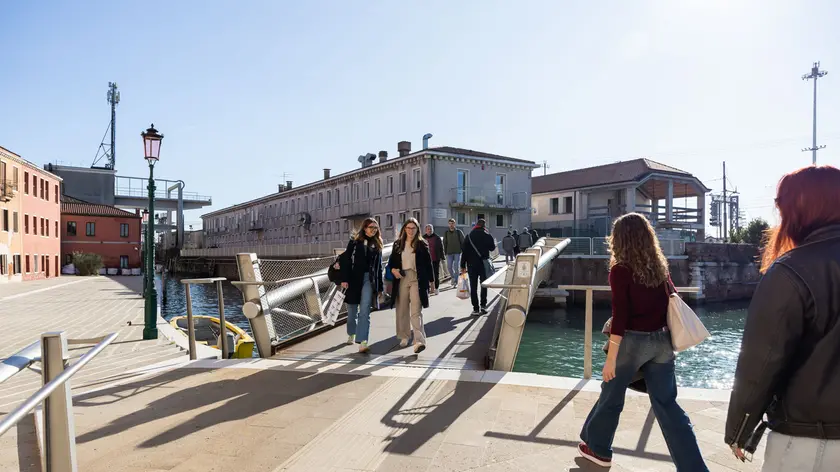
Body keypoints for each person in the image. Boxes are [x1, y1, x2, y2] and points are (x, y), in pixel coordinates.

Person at [725, 165, 840, 471]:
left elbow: (761, 360)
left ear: (800, 208)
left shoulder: (791, 271)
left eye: (781, 204)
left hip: (812, 441)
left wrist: (739, 429)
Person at [578, 213, 707, 470]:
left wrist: (611, 359)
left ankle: (599, 450)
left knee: (612, 394)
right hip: (663, 342)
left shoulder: (620, 270)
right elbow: (671, 298)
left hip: (633, 342)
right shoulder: (660, 266)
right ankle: (694, 468)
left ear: (620, 240)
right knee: (667, 405)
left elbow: (621, 317)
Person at [388, 218, 434, 353]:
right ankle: (404, 336)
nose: (410, 231)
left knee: (416, 311)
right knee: (402, 309)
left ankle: (419, 341)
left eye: (413, 228)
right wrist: (393, 270)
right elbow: (391, 263)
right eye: (408, 228)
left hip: (417, 279)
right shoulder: (397, 244)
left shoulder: (422, 244)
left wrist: (432, 283)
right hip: (402, 279)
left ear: (417, 229)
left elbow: (428, 264)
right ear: (404, 229)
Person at [340, 218, 384, 354]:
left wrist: (380, 287)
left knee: (364, 309)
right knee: (352, 310)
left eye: (376, 228)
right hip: (353, 279)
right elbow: (346, 260)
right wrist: (344, 279)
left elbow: (379, 267)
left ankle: (363, 341)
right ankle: (351, 332)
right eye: (371, 227)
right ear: (364, 228)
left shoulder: (377, 244)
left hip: (368, 280)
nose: (374, 230)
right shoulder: (354, 241)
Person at [460, 219, 496, 316]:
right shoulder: (487, 235)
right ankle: (483, 306)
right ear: (484, 226)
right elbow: (492, 248)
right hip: (483, 265)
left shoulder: (469, 236)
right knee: (484, 285)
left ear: (476, 225)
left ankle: (475, 309)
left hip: (471, 265)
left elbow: (464, 252)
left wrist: (462, 265)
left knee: (473, 286)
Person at [443, 218, 465, 287]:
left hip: (457, 252)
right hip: (449, 252)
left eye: (452, 223)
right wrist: (444, 252)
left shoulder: (459, 232)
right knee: (449, 267)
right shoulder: (446, 232)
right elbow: (444, 243)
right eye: (450, 224)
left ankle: (455, 281)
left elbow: (463, 242)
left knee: (456, 267)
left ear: (454, 224)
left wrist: (463, 251)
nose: (451, 225)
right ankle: (452, 277)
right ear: (448, 224)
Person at [424, 224, 445, 295]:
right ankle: (427, 289)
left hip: (435, 259)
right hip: (426, 260)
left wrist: (442, 257)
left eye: (431, 229)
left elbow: (441, 248)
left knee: (436, 274)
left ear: (433, 230)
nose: (429, 230)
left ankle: (436, 288)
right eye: (428, 229)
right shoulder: (422, 238)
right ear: (426, 230)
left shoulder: (437, 238)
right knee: (426, 275)